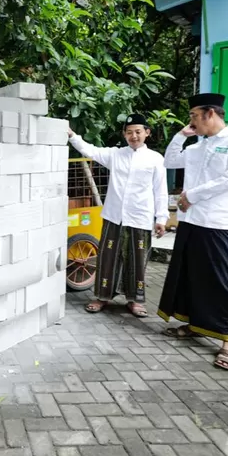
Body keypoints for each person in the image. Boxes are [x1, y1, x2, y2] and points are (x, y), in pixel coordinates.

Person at [158, 93, 228, 371]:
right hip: (192, 221)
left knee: (220, 279)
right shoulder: (199, 146)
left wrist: (193, 194)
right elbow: (170, 161)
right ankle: (196, 325)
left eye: (194, 116)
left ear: (210, 114)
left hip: (217, 222)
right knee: (191, 276)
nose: (191, 121)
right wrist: (181, 134)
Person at [68, 113, 169, 318]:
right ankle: (101, 297)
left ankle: (135, 300)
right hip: (114, 216)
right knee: (107, 257)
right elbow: (91, 150)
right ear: (124, 134)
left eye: (138, 132)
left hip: (140, 216)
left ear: (147, 133)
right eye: (129, 132)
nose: (134, 136)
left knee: (137, 259)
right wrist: (71, 135)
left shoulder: (155, 159)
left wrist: (161, 219)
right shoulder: (115, 155)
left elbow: (160, 190)